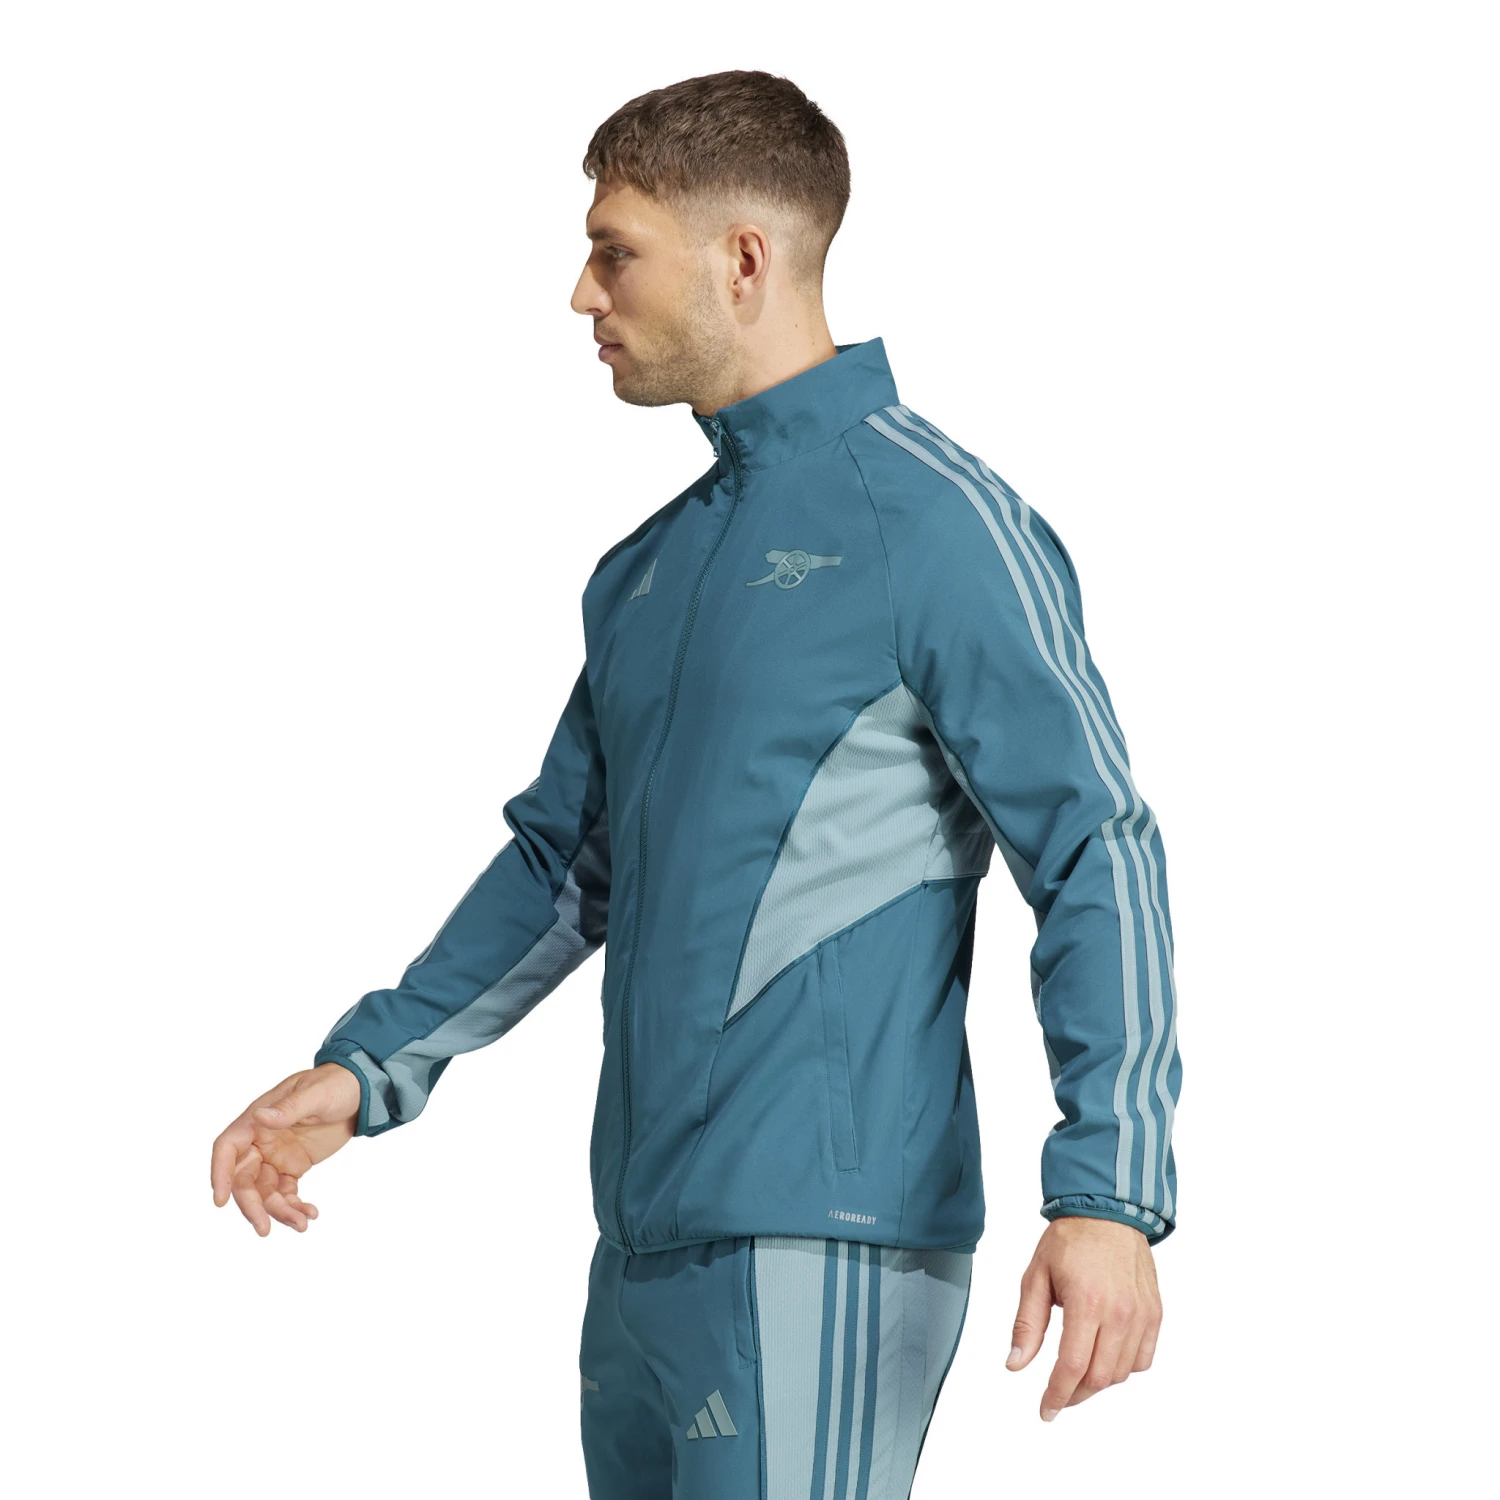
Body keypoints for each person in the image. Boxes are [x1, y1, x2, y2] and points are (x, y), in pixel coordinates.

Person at [210, 68, 1181, 1500]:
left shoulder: (936, 525)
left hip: (826, 1231)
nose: (581, 295)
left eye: (615, 253)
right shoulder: (646, 570)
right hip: (642, 1243)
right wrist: (371, 1067)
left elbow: (1098, 844)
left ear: (744, 259)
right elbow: (565, 866)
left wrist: (1111, 1192)